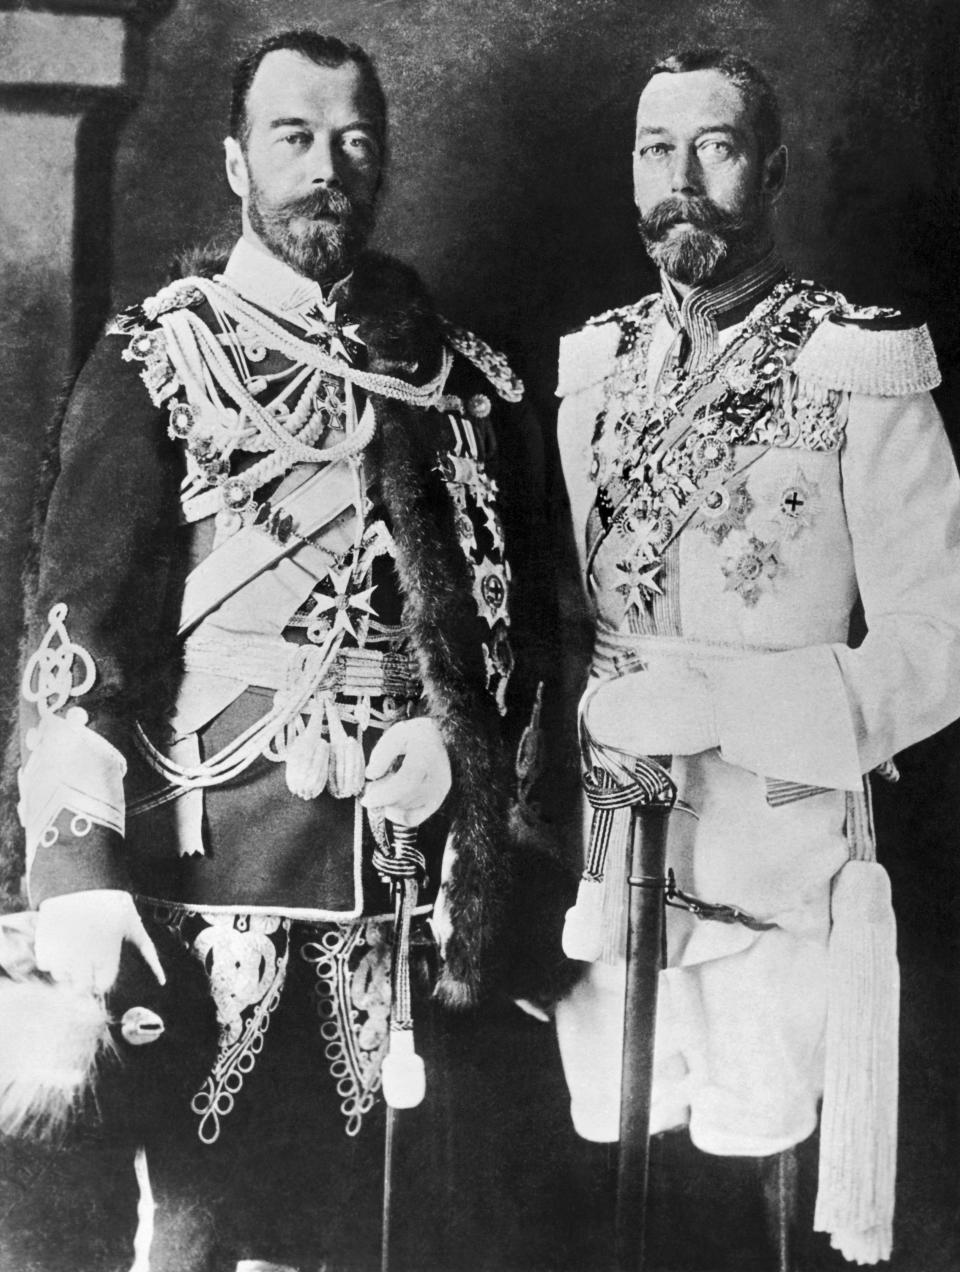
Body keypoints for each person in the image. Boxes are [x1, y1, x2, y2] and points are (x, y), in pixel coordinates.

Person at [8, 27, 548, 1272]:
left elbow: (513, 623)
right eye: (294, 137)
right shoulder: (159, 358)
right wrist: (77, 869)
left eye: (354, 141)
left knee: (381, 1226)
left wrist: (455, 734)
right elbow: (73, 640)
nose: (327, 168)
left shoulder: (456, 377)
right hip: (212, 875)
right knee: (203, 1226)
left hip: (402, 868)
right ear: (237, 163)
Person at [554, 46, 960, 1266]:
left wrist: (720, 704)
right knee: (624, 1187)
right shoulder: (595, 367)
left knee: (761, 1208)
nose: (681, 180)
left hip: (776, 859)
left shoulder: (857, 362)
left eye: (715, 148)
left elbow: (938, 646)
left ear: (772, 169)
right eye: (653, 150)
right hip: (614, 841)